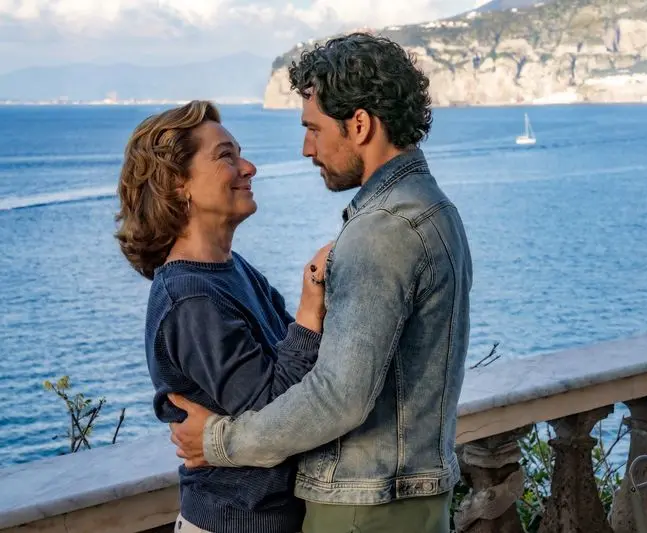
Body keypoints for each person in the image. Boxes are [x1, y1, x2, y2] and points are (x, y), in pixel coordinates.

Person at [169, 33, 473, 533]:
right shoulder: (435, 210)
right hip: (408, 499)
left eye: (313, 128)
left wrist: (219, 442)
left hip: (363, 507)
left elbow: (338, 397)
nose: (306, 148)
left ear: (360, 124)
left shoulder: (381, 230)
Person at [115, 100, 330, 533]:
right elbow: (274, 409)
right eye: (226, 156)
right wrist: (311, 305)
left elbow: (306, 371)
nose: (248, 168)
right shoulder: (190, 298)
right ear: (178, 184)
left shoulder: (231, 270)